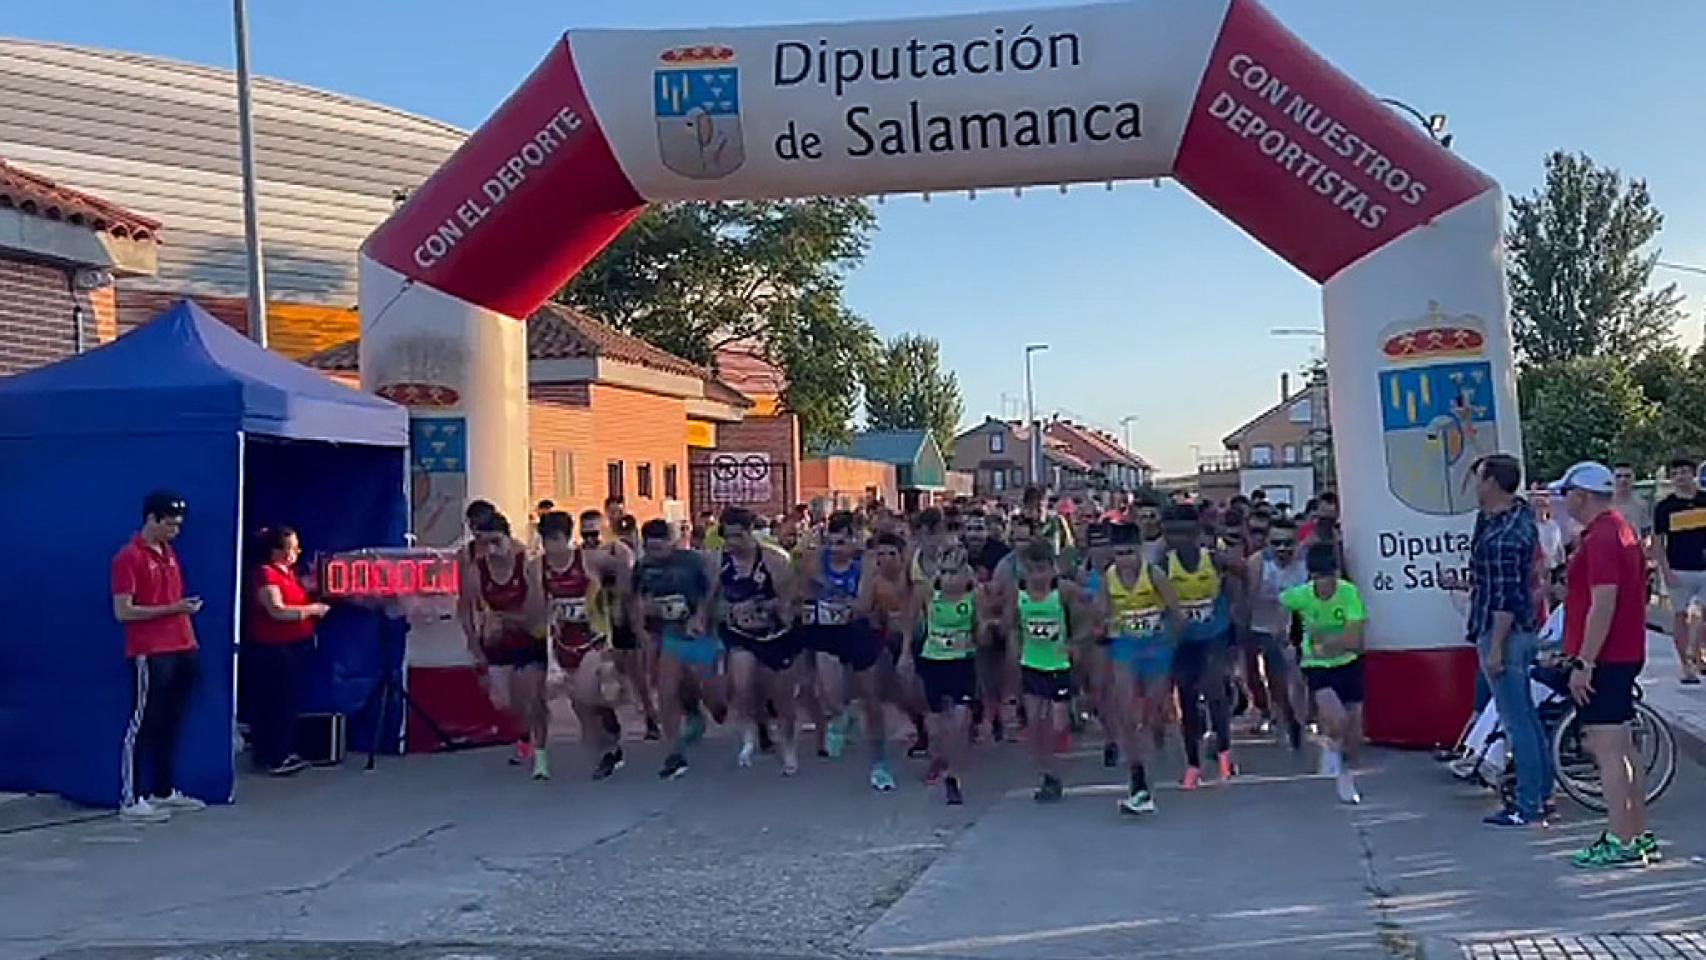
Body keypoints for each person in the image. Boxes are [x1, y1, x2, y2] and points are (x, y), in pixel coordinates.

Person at [1552, 462, 1660, 867]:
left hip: (1607, 656)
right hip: (1622, 652)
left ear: (1581, 495)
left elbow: (1603, 603)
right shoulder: (1619, 529)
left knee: (1607, 748)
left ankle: (1620, 837)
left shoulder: (1601, 537)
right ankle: (1636, 832)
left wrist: (1585, 661)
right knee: (1623, 747)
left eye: (1567, 495)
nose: (1565, 503)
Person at [112, 490, 207, 822]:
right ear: (150, 519)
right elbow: (124, 611)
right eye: (168, 524)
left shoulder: (169, 554)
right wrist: (173, 609)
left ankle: (163, 789)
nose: (174, 531)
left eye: (178, 526)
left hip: (182, 645)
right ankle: (132, 796)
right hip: (150, 650)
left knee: (173, 719)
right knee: (144, 721)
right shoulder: (128, 557)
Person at [1466, 454, 1549, 827]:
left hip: (1505, 634)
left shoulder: (1502, 537)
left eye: (1480, 478)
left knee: (1517, 721)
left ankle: (1528, 804)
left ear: (1493, 483)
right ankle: (1540, 794)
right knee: (1527, 719)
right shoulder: (1512, 519)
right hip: (1521, 630)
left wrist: (1496, 647)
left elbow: (1505, 597)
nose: (1475, 486)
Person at [802, 511, 892, 790]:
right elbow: (804, 590)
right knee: (825, 688)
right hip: (826, 630)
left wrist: (839, 602)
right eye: (833, 542)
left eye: (843, 542)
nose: (836, 548)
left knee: (870, 698)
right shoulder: (817, 558)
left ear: (856, 539)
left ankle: (879, 759)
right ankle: (838, 716)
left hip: (857, 631)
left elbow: (863, 604)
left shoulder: (866, 562)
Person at [711, 507, 801, 775]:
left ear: (751, 534)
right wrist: (712, 617)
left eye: (738, 537)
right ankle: (750, 733)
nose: (733, 544)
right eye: (728, 538)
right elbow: (711, 597)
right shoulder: (721, 562)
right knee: (742, 683)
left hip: (776, 634)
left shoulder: (775, 561)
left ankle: (787, 743)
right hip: (741, 634)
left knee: (781, 696)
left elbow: (791, 603)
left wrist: (762, 607)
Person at [460, 512, 550, 780]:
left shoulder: (527, 564)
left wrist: (502, 618)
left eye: (496, 542)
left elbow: (536, 613)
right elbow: (464, 610)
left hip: (529, 637)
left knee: (530, 696)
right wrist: (475, 647)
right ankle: (525, 734)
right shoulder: (477, 569)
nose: (492, 550)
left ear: (508, 538)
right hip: (498, 642)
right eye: (485, 544)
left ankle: (540, 755)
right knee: (503, 701)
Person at [538, 512, 624, 781]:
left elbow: (625, 567)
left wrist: (616, 600)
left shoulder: (589, 560)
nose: (551, 546)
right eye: (545, 540)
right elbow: (537, 601)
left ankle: (607, 734)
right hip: (566, 641)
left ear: (567, 538)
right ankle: (606, 751)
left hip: (594, 637)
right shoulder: (537, 567)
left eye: (556, 540)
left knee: (583, 693)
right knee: (580, 706)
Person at [632, 517, 719, 780]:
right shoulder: (643, 567)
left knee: (715, 701)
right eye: (650, 549)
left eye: (660, 549)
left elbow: (712, 588)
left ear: (671, 543)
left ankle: (696, 712)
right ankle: (673, 751)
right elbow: (634, 600)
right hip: (665, 635)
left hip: (696, 634)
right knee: (666, 689)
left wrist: (701, 615)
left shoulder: (691, 562)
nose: (655, 555)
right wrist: (641, 630)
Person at [1282, 542, 1366, 805]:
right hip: (1318, 667)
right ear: (1312, 577)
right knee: (1336, 718)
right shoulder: (1301, 596)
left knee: (1353, 736)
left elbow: (1355, 641)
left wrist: (1326, 641)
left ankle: (1343, 764)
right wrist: (1288, 639)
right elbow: (1278, 605)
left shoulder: (1349, 593)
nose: (1325, 585)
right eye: (1319, 579)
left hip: (1349, 663)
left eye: (1329, 578)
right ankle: (1333, 754)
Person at [1102, 522, 1178, 815]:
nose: (1125, 560)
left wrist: (1167, 642)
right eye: (1120, 554)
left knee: (1152, 715)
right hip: (1126, 647)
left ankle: (1146, 766)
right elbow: (1102, 611)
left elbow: (1175, 611)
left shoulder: (1154, 575)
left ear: (1139, 551)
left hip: (1155, 648)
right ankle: (1138, 779)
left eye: (1130, 553)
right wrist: (1103, 625)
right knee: (1127, 712)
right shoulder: (1109, 578)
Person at [243, 525, 330, 777]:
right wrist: (313, 610)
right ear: (275, 551)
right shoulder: (265, 575)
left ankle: (281, 751)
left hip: (294, 647)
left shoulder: (289, 575)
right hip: (273, 650)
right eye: (291, 548)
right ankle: (274, 756)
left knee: (288, 702)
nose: (296, 553)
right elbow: (277, 610)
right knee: (275, 703)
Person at [1161, 503, 1237, 788]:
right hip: (1183, 641)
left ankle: (1225, 754)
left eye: (1182, 534)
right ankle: (1193, 764)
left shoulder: (1214, 560)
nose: (1176, 541)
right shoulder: (1163, 565)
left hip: (1214, 635)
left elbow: (1244, 573)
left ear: (1194, 534)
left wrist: (1235, 608)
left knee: (1214, 688)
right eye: (1170, 534)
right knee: (1188, 700)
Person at [1009, 538, 1089, 802]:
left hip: (1059, 664)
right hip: (1032, 663)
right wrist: (1016, 650)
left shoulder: (1063, 591)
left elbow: (1085, 616)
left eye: (1043, 570)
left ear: (1053, 568)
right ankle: (1048, 775)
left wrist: (1075, 644)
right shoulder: (1018, 593)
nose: (1038, 577)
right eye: (1032, 571)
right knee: (1034, 722)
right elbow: (1011, 626)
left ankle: (1055, 759)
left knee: (1057, 724)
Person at [902, 544, 977, 805]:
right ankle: (940, 760)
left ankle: (954, 777)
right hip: (933, 661)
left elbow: (984, 628)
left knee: (959, 722)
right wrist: (905, 654)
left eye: (955, 573)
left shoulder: (975, 596)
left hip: (962, 663)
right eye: (945, 573)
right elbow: (909, 623)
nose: (950, 579)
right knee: (937, 727)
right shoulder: (926, 594)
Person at [1245, 516, 1307, 749]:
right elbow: (1248, 601)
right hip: (1260, 626)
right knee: (1271, 679)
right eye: (1277, 543)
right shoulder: (1258, 564)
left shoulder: (1303, 564)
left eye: (1288, 543)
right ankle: (1279, 713)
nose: (1283, 549)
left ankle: (1296, 720)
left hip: (1293, 626)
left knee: (1293, 676)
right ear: (1268, 543)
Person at [1653, 456, 1706, 684]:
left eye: (1684, 472)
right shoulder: (1665, 507)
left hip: (1704, 567)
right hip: (1678, 567)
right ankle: (1685, 664)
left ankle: (1697, 652)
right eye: (1675, 474)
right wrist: (1665, 570)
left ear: (1693, 474)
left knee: (1702, 614)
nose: (1680, 477)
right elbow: (1658, 541)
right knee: (1680, 615)